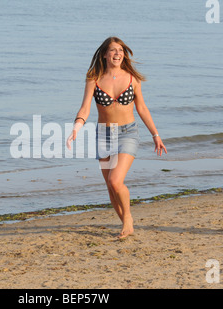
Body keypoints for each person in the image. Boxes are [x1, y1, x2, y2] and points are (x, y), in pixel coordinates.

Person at [66, 37, 167, 239]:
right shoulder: (93, 78)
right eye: (113, 50)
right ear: (104, 54)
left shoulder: (132, 79)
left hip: (127, 133)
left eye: (120, 50)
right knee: (111, 188)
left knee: (115, 180)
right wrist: (76, 127)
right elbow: (85, 107)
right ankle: (126, 226)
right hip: (104, 135)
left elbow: (142, 109)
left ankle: (128, 217)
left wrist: (155, 135)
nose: (117, 54)